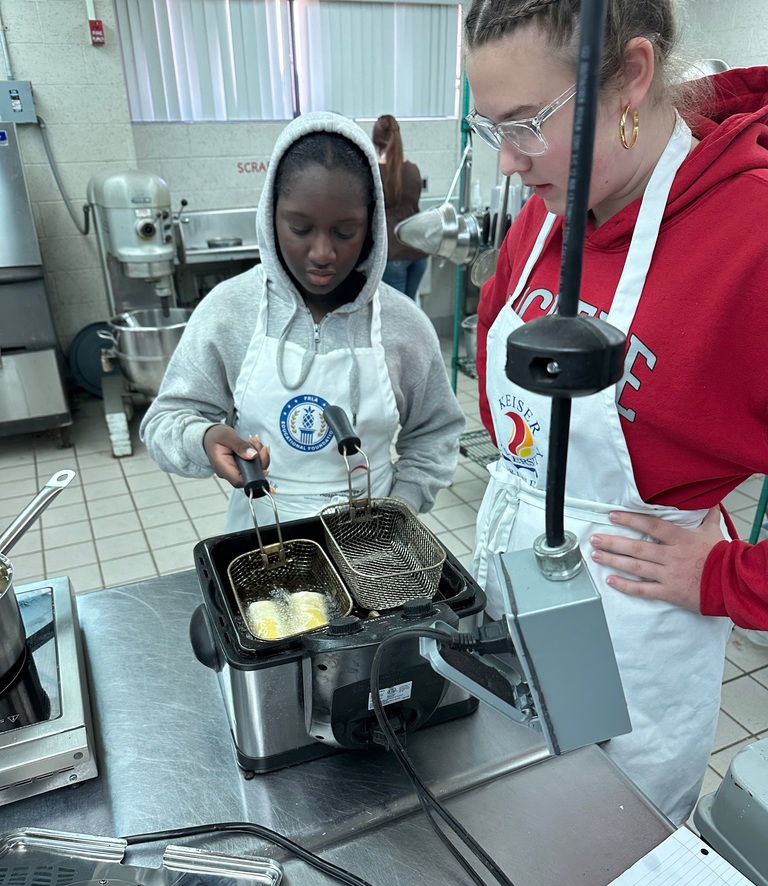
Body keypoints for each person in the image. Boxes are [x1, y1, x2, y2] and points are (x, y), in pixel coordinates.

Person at [463, 0, 768, 825]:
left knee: (596, 869)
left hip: (636, 645)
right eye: (494, 129)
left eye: (526, 124)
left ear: (631, 76)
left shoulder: (752, 242)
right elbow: (504, 381)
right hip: (514, 597)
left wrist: (729, 577)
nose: (508, 165)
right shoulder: (548, 210)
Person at [140, 111, 463, 531]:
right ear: (271, 218)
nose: (323, 253)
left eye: (345, 232)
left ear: (372, 228)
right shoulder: (229, 310)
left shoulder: (404, 324)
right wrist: (202, 440)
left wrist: (398, 508)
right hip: (261, 543)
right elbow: (165, 420)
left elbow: (435, 432)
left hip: (372, 548)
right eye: (300, 228)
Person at [372, 114, 430, 300]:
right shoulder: (413, 170)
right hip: (419, 251)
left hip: (393, 253)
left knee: (394, 318)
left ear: (376, 141)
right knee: (410, 310)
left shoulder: (375, 172)